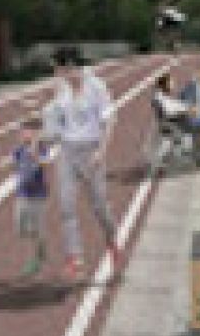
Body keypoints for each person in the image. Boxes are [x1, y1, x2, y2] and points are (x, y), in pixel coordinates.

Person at [47, 47, 120, 280]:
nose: (59, 73)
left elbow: (110, 119)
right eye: (57, 70)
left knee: (99, 206)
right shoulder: (60, 88)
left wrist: (102, 151)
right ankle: (74, 258)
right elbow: (56, 122)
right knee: (66, 206)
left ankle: (112, 241)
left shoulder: (96, 87)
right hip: (67, 151)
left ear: (72, 66)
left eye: (61, 68)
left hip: (90, 150)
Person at [11, 113, 53, 278]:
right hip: (21, 194)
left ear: (36, 133)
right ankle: (40, 247)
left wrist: (34, 148)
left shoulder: (43, 149)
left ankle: (34, 260)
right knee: (21, 228)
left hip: (38, 196)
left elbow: (45, 162)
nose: (21, 134)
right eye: (21, 131)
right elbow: (11, 162)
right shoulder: (19, 150)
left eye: (25, 131)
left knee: (36, 228)